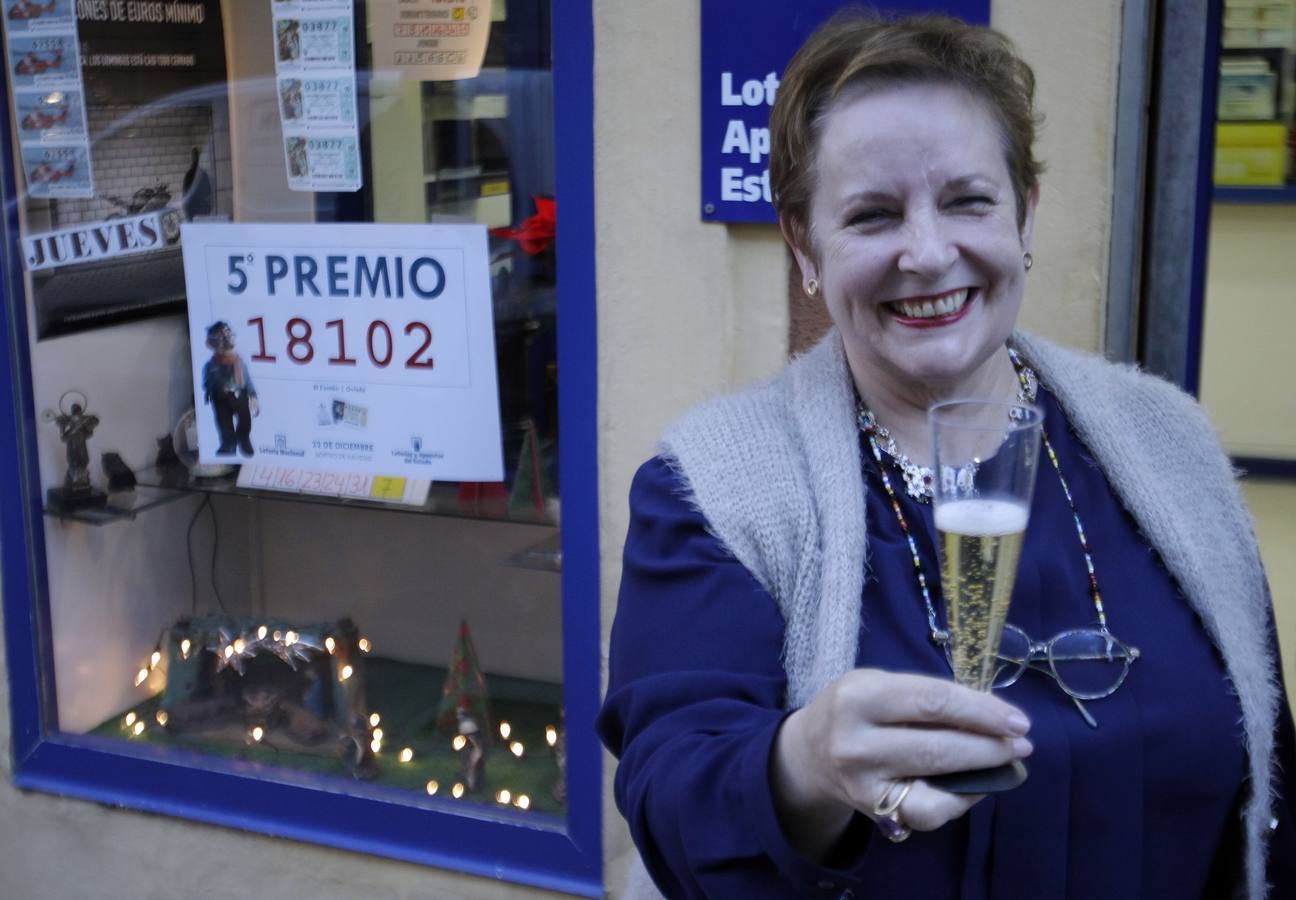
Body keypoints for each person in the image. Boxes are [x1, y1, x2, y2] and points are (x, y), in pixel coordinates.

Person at [597, 12, 1296, 900]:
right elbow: (672, 791)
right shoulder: (718, 489)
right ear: (805, 247)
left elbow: (1268, 788)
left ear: (1025, 212)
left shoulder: (1171, 444)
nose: (928, 254)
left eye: (968, 200)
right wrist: (798, 765)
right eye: (872, 215)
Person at [202, 321, 258, 457]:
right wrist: (211, 389)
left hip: (239, 395)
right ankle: (228, 444)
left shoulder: (239, 362)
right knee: (224, 422)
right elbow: (207, 381)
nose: (228, 338)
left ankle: (243, 439)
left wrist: (253, 394)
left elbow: (246, 378)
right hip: (220, 398)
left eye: (228, 335)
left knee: (245, 420)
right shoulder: (211, 365)